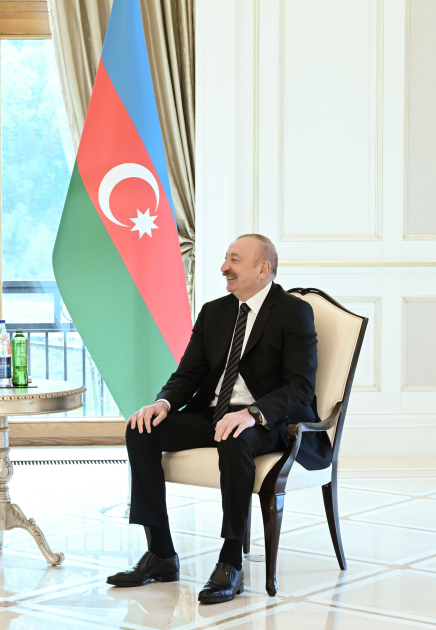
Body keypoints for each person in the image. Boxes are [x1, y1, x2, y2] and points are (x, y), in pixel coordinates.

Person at [107, 234, 330, 603]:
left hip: (271, 420)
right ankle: (160, 553)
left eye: (234, 259)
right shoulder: (214, 312)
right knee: (141, 429)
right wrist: (163, 403)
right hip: (213, 413)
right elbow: (189, 373)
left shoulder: (293, 311)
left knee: (234, 435)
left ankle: (230, 562)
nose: (224, 267)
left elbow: (301, 387)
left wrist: (252, 413)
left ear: (263, 269)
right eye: (226, 258)